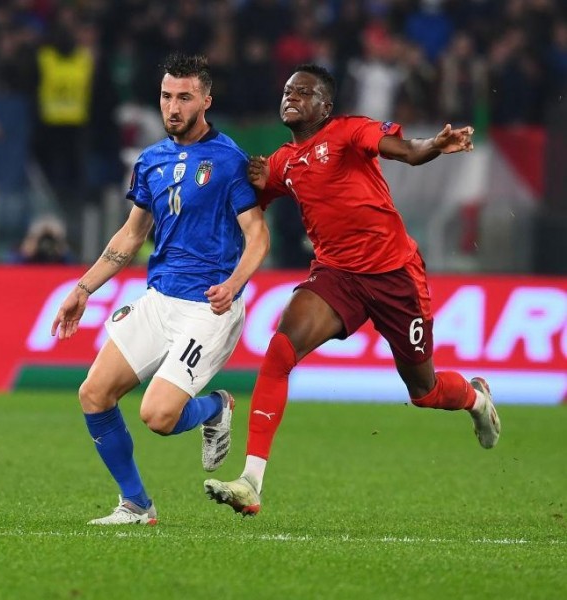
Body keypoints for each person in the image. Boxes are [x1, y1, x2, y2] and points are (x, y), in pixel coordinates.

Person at [204, 64, 501, 516]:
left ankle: (476, 397)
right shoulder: (283, 161)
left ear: (325, 106)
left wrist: (435, 146)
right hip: (337, 276)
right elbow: (252, 204)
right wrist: (252, 184)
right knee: (280, 352)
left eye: (304, 92)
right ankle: (251, 480)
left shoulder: (349, 131)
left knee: (424, 391)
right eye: (288, 90)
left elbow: (406, 151)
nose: (292, 97)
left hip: (395, 276)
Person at [51, 53, 270, 525]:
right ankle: (136, 504)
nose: (173, 107)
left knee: (159, 417)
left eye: (185, 97)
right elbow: (131, 235)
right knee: (94, 394)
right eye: (167, 96)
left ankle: (215, 407)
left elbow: (258, 236)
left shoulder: (229, 160)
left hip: (207, 309)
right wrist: (83, 288)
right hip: (159, 301)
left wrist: (234, 284)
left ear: (206, 101)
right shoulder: (151, 160)